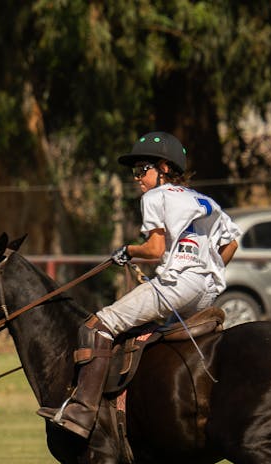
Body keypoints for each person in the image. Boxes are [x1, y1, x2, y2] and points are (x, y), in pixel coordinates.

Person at [37, 131, 241, 439]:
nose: (137, 178)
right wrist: (208, 270)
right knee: (161, 345)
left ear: (163, 168)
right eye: (135, 172)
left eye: (141, 169)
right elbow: (232, 243)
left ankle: (82, 410)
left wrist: (129, 251)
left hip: (175, 286)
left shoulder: (155, 197)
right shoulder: (202, 200)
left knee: (96, 326)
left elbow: (155, 250)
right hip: (206, 292)